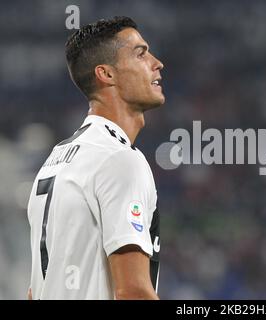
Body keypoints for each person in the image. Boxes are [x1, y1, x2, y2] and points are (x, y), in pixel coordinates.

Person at [27, 16, 164, 299]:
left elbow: (34, 292)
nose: (156, 62)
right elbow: (133, 291)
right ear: (107, 74)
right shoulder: (119, 159)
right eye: (140, 53)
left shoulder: (54, 162)